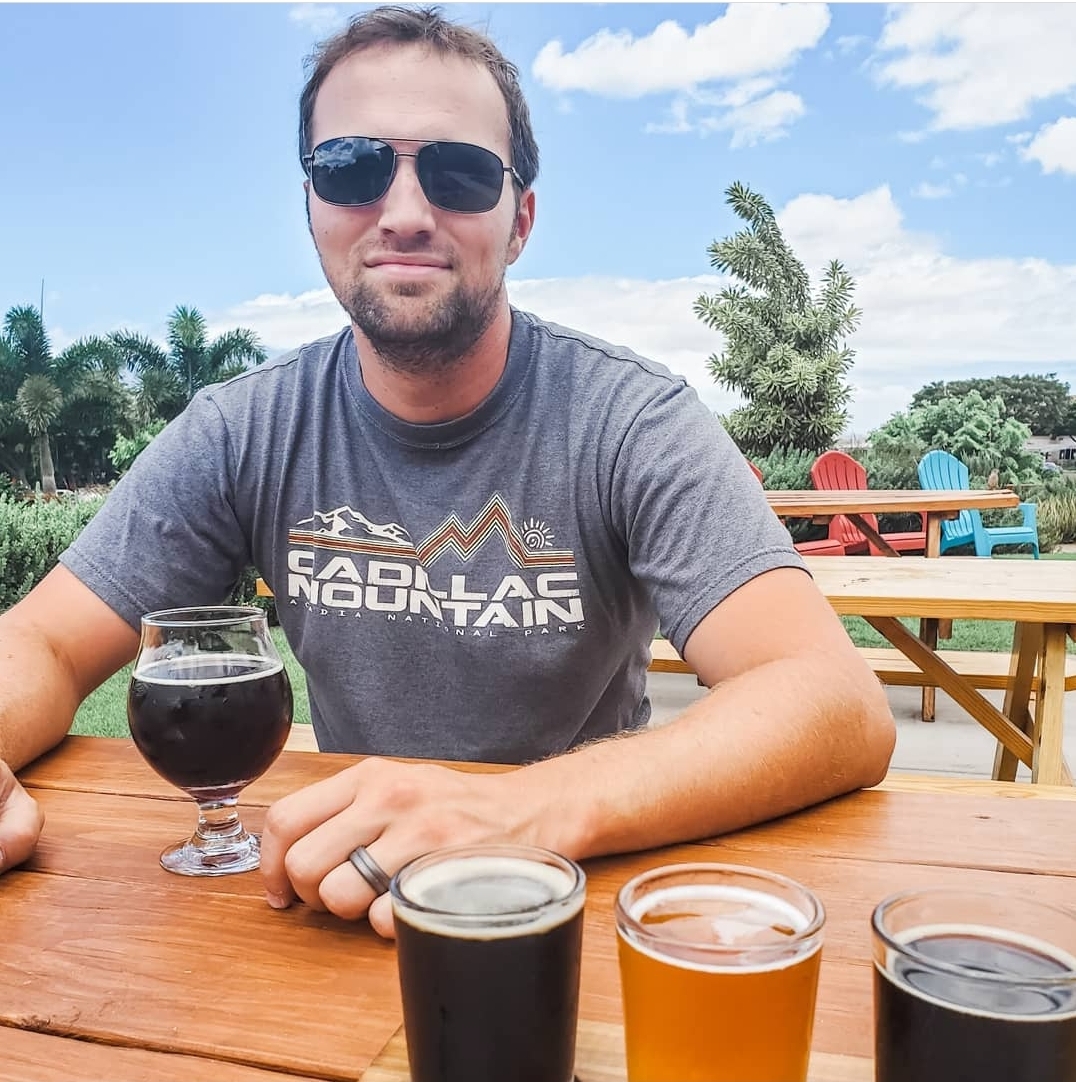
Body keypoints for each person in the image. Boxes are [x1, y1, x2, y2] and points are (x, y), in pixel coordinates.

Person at [0, 5, 894, 936]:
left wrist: (517, 817)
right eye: (353, 167)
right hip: (332, 898)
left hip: (572, 907)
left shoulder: (629, 418)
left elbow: (831, 700)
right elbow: (46, 643)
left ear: (521, 222)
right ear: (310, 205)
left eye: (461, 173)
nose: (406, 212)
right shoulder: (244, 427)